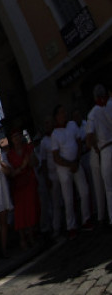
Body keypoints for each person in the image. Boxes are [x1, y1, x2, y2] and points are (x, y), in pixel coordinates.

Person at [51, 104, 92, 237]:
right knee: (68, 198)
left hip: (76, 163)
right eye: (61, 113)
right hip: (64, 169)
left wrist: (76, 160)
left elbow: (79, 143)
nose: (64, 115)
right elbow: (56, 157)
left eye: (64, 112)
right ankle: (71, 226)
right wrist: (69, 164)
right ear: (57, 117)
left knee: (84, 192)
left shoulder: (73, 125)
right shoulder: (55, 134)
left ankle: (86, 219)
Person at [6, 129, 40, 248]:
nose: (16, 138)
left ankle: (31, 235)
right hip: (18, 185)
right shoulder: (9, 154)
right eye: (14, 136)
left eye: (18, 136)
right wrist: (22, 167)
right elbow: (10, 173)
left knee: (31, 209)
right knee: (20, 213)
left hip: (29, 180)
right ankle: (22, 238)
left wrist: (30, 156)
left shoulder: (28, 149)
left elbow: (35, 163)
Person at [85, 84, 112, 227]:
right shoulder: (111, 105)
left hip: (106, 150)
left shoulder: (93, 113)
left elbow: (89, 139)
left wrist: (95, 146)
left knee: (109, 188)